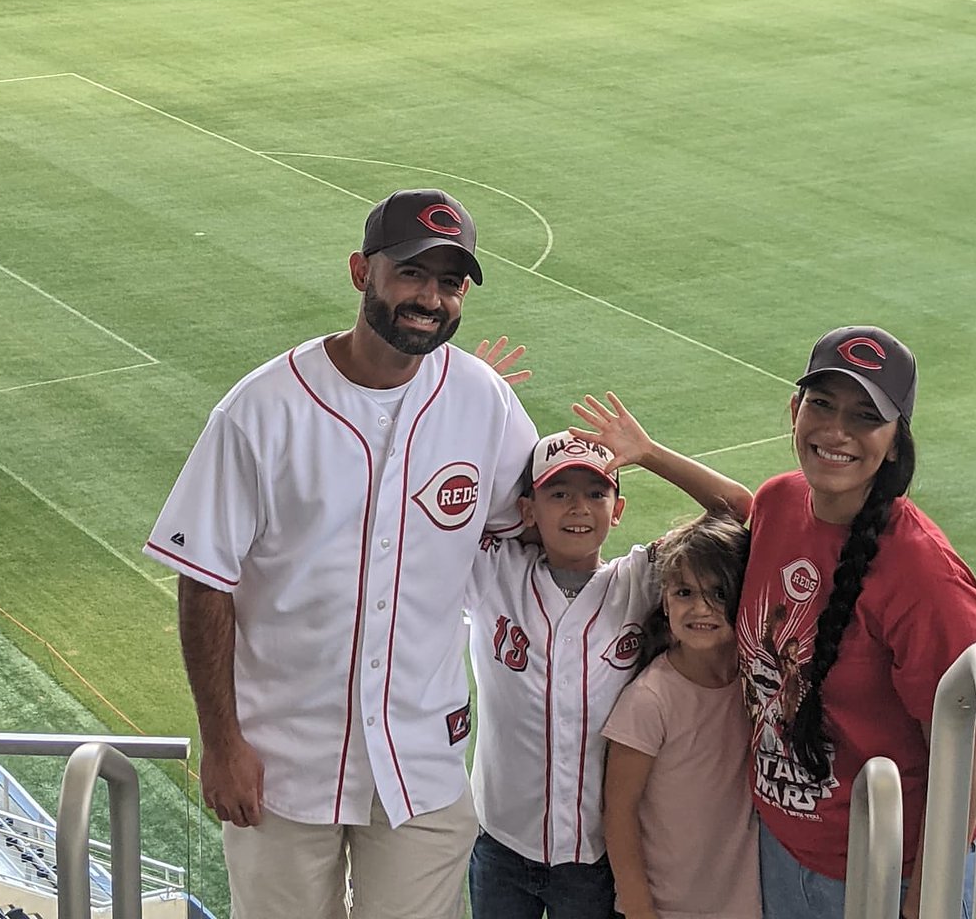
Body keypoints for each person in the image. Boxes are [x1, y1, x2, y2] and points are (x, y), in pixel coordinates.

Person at [143, 188, 539, 919]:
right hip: (281, 766)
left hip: (421, 760)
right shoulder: (260, 409)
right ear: (362, 272)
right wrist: (221, 741)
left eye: (450, 283)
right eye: (413, 274)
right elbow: (204, 582)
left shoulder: (482, 400)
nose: (431, 297)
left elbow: (536, 521)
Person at [466, 399, 754, 919]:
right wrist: (468, 415)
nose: (578, 508)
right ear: (527, 510)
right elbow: (438, 512)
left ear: (616, 511)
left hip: (593, 858)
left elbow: (737, 507)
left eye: (596, 493)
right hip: (500, 844)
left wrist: (647, 453)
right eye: (558, 494)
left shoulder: (639, 579)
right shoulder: (493, 571)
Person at [735, 326, 976, 919]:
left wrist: (927, 901)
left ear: (896, 442)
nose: (836, 430)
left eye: (865, 416)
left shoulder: (923, 573)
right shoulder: (775, 503)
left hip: (882, 878)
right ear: (794, 410)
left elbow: (966, 756)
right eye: (822, 404)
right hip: (778, 848)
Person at [601, 512, 762, 919]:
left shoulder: (758, 681)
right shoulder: (650, 700)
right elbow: (619, 812)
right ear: (665, 599)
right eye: (685, 592)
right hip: (665, 909)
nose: (701, 608)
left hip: (744, 905)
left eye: (719, 593)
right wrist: (639, 909)